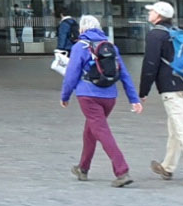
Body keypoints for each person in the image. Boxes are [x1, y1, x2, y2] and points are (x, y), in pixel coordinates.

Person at [60, 15, 141, 186]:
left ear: (82, 29)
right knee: (91, 131)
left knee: (102, 132)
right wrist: (134, 99)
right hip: (110, 96)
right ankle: (83, 168)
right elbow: (124, 74)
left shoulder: (80, 46)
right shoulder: (110, 46)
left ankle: (122, 171)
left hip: (88, 95)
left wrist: (65, 96)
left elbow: (71, 74)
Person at [139, 1, 183, 187]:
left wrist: (143, 91)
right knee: (175, 127)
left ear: (159, 15)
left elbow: (150, 65)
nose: (149, 13)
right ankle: (167, 167)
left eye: (152, 11)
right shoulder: (179, 33)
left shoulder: (155, 35)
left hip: (170, 88)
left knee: (182, 129)